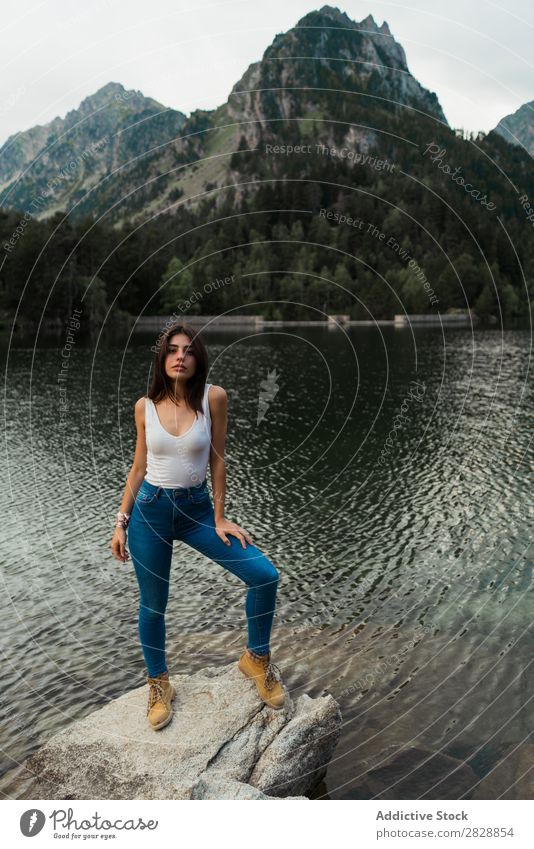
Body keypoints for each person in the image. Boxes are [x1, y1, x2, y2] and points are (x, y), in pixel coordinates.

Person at [110, 323, 285, 730]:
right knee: (153, 605)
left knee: (264, 576)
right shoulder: (145, 406)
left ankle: (255, 659)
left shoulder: (214, 398)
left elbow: (218, 459)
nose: (180, 357)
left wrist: (221, 516)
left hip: (197, 510)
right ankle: (159, 683)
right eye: (172, 350)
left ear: (197, 358)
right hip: (150, 512)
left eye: (188, 351)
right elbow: (138, 467)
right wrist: (120, 522)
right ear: (162, 358)